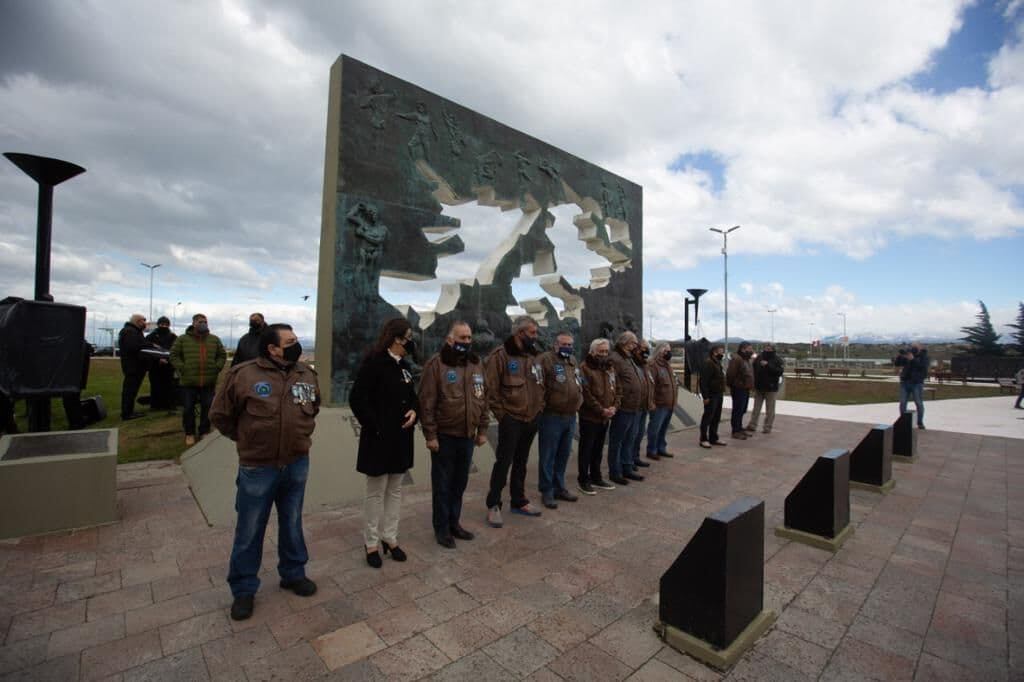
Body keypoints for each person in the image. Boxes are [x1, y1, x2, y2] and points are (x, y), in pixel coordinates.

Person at [210, 323, 320, 621]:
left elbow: (314, 407)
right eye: (290, 341)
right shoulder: (243, 375)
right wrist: (247, 439)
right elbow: (220, 415)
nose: (296, 345)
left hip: (296, 463)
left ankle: (293, 573)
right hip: (258, 467)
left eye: (297, 340)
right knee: (249, 529)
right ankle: (244, 590)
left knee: (292, 522)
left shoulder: (306, 374)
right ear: (272, 348)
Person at [349, 318, 419, 567]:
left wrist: (414, 411)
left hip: (401, 439)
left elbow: (412, 397)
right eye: (408, 336)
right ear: (396, 338)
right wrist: (375, 427)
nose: (411, 341)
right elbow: (357, 399)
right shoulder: (374, 364)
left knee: (395, 490)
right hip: (379, 439)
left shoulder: (405, 366)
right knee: (376, 492)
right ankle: (371, 543)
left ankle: (390, 538)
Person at [418, 321, 488, 548]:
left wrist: (482, 429)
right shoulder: (436, 365)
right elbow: (427, 403)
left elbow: (483, 398)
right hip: (445, 436)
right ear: (450, 340)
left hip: (467, 435)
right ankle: (442, 529)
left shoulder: (476, 364)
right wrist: (430, 436)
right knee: (442, 485)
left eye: (469, 338)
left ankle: (454, 523)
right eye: (462, 338)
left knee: (459, 483)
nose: (467, 342)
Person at [484, 316, 546, 527]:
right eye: (532, 333)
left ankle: (519, 501)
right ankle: (494, 504)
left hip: (531, 418)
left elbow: (540, 385)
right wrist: (504, 417)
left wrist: (539, 409)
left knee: (522, 461)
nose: (535, 337)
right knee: (504, 462)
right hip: (511, 419)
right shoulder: (499, 356)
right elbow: (490, 391)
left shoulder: (534, 356)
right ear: (520, 333)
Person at [537, 331, 583, 509]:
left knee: (564, 454)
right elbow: (538, 385)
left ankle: (559, 487)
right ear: (556, 345)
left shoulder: (572, 361)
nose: (568, 348)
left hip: (570, 416)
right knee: (548, 455)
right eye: (565, 344)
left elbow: (579, 382)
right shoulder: (545, 360)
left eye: (571, 345)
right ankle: (547, 491)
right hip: (551, 416)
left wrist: (580, 400)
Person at [170, 313, 226, 446]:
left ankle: (204, 431)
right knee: (188, 408)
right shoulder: (182, 339)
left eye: (205, 321)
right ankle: (189, 433)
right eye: (200, 322)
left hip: (208, 381)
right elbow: (174, 355)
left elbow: (222, 355)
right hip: (188, 382)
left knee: (207, 407)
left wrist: (216, 367)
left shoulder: (214, 339)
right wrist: (182, 368)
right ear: (194, 323)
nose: (203, 324)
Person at [577, 338, 618, 495]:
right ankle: (583, 480)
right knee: (586, 449)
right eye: (601, 351)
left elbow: (617, 388)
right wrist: (602, 410)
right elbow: (586, 393)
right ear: (592, 352)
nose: (604, 354)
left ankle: (596, 476)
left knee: (598, 449)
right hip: (590, 416)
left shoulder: (609, 368)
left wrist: (615, 406)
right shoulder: (584, 368)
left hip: (605, 416)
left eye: (606, 351)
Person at [607, 331, 645, 485]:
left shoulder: (628, 358)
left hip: (634, 407)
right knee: (617, 441)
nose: (635, 346)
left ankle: (627, 467)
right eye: (633, 343)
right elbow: (613, 382)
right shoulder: (615, 358)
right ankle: (615, 472)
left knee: (629, 439)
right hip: (623, 407)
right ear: (624, 343)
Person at [646, 342, 678, 459]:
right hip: (659, 403)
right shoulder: (653, 365)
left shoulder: (667, 365)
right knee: (655, 428)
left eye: (669, 351)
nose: (668, 353)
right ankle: (652, 450)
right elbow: (651, 386)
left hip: (669, 403)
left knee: (663, 429)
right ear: (659, 351)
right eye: (666, 351)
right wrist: (651, 402)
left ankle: (661, 448)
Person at [748, 344, 784, 434]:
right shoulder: (759, 357)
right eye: (766, 348)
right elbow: (754, 370)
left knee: (770, 409)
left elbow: (779, 372)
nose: (767, 349)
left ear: (773, 349)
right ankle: (752, 425)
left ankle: (767, 427)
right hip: (759, 387)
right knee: (756, 408)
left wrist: (768, 365)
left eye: (769, 348)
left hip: (771, 388)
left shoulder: (777, 359)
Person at [118, 313, 148, 420]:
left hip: (136, 366)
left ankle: (129, 411)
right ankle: (127, 413)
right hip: (133, 367)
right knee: (129, 391)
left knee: (131, 391)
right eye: (143, 320)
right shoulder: (129, 332)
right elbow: (134, 347)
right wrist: (149, 345)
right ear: (137, 321)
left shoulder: (134, 332)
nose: (145, 323)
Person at [631, 339, 655, 467]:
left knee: (639, 434)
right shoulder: (633, 364)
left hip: (644, 405)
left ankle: (635, 457)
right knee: (632, 435)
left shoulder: (645, 364)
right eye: (644, 348)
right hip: (635, 406)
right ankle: (628, 460)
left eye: (648, 348)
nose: (646, 351)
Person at [894, 342, 928, 429]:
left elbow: (922, 367)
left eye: (915, 347)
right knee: (902, 402)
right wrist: (900, 356)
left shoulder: (924, 357)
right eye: (912, 347)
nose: (913, 348)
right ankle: (903, 422)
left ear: (920, 347)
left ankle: (920, 422)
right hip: (905, 382)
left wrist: (913, 359)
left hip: (917, 383)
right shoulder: (908, 355)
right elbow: (897, 364)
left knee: (918, 402)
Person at [146, 316, 178, 410]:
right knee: (155, 386)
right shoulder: (151, 336)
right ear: (158, 324)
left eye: (166, 324)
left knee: (169, 386)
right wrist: (158, 359)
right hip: (155, 366)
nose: (163, 326)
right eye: (161, 324)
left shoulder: (173, 336)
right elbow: (148, 350)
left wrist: (168, 360)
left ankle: (169, 404)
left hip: (169, 366)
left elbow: (175, 350)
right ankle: (155, 405)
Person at [699, 344, 727, 449]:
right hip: (711, 394)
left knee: (716, 417)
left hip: (719, 393)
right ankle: (703, 439)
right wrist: (705, 396)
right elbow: (703, 381)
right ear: (714, 352)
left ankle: (713, 437)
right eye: (721, 351)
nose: (722, 354)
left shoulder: (717, 363)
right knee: (708, 417)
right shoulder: (709, 363)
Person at [726, 342, 755, 439]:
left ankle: (739, 428)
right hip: (738, 388)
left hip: (745, 388)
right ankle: (735, 431)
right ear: (743, 349)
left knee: (742, 409)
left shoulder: (746, 360)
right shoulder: (737, 359)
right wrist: (733, 385)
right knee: (737, 410)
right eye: (750, 349)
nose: (752, 351)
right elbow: (730, 374)